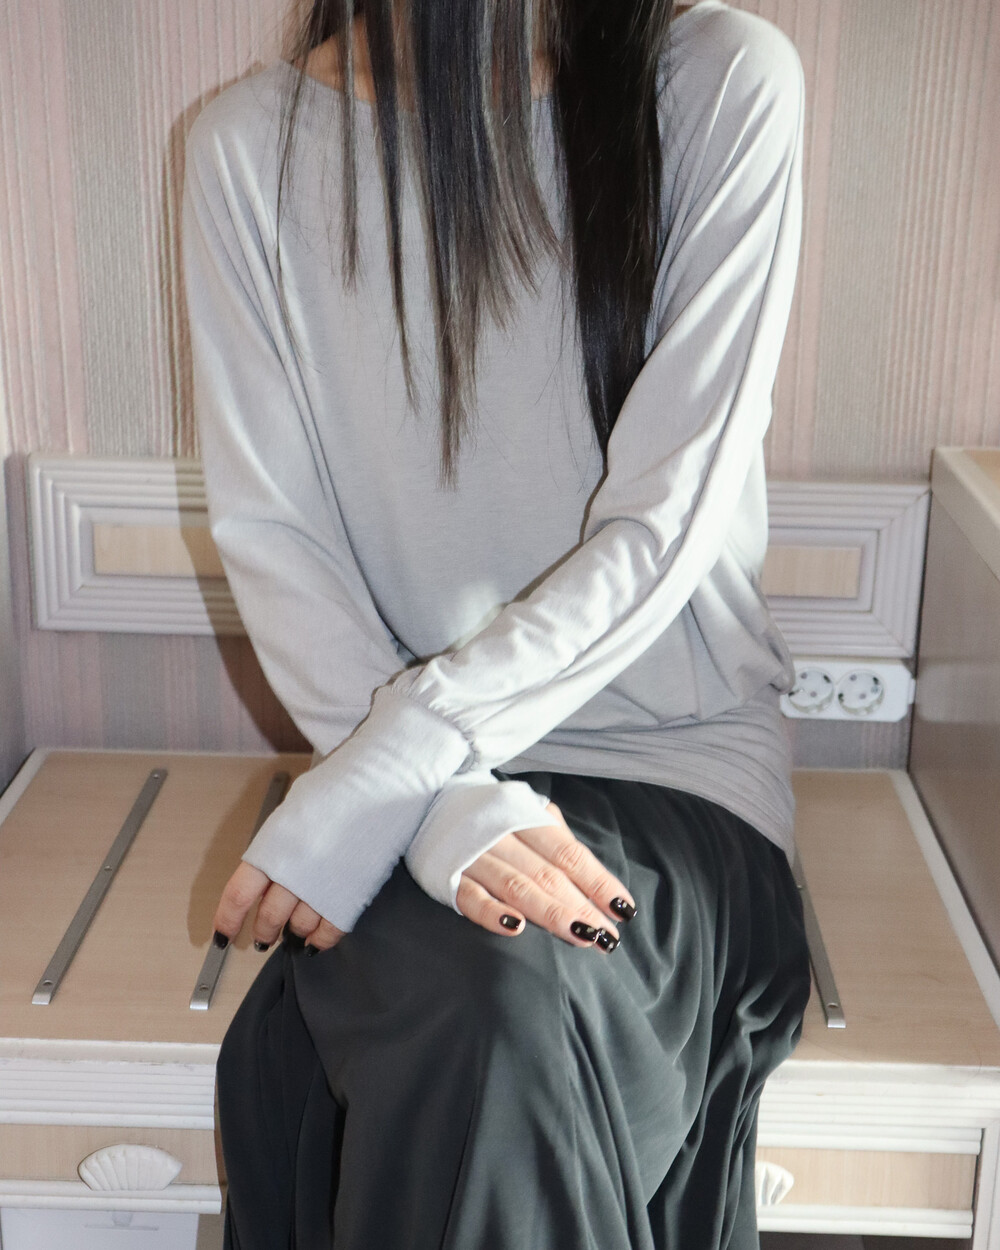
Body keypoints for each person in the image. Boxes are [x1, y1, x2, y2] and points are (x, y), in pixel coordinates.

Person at [181, 0, 812, 1245]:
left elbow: (665, 523)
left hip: (673, 778)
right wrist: (440, 802)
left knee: (486, 1033)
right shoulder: (243, 149)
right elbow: (277, 539)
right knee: (461, 1029)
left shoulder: (718, 80)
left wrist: (401, 763)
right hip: (400, 789)